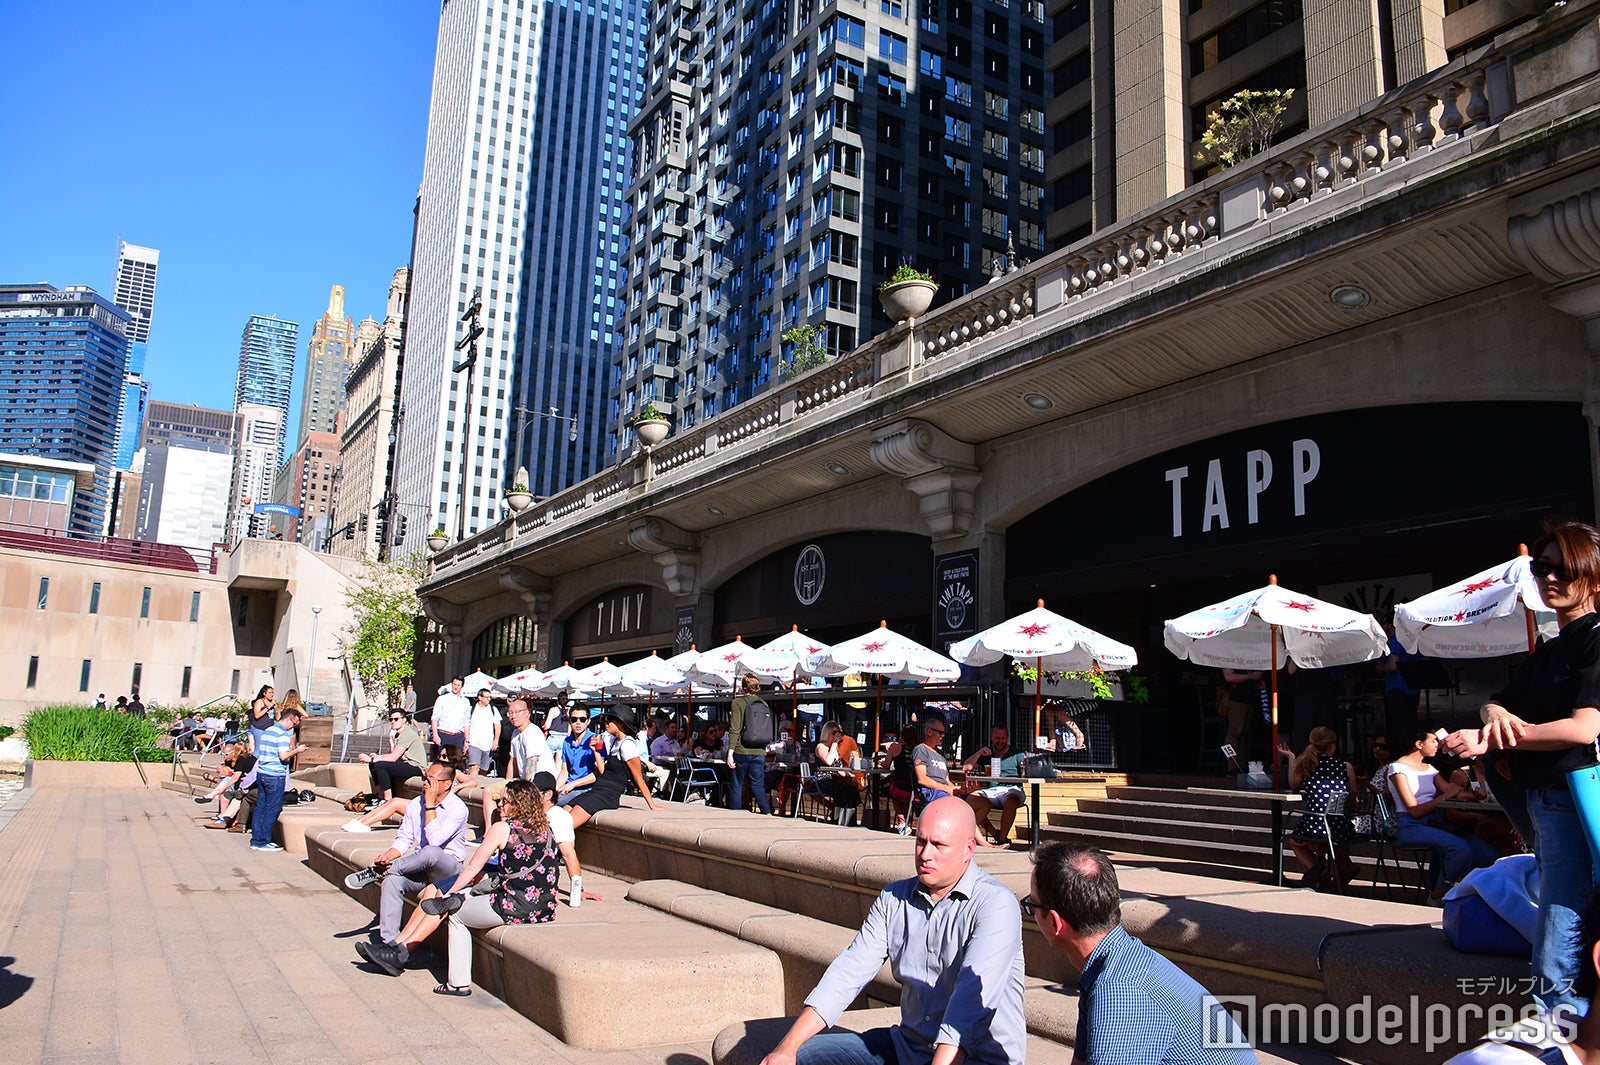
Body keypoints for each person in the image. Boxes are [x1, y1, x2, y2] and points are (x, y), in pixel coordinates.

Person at [1445, 520, 1600, 1016]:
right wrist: (1496, 718)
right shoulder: (1553, 647)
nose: (1549, 577)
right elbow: (1497, 700)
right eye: (1541, 567)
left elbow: (1582, 729)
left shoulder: (1594, 639)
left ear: (1593, 577)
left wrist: (1495, 734)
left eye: (1563, 568)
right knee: (1571, 899)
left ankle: (1558, 1012)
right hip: (1549, 791)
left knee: (1563, 902)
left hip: (1575, 790)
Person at [756, 797, 1025, 1065]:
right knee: (804, 1056)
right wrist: (787, 1048)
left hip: (979, 1057)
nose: (925, 854)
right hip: (909, 1047)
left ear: (968, 850)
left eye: (939, 845)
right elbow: (850, 971)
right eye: (920, 841)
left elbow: (968, 1008)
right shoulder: (894, 898)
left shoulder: (995, 905)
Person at [1025, 841, 1256, 1063]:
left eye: (1032, 905)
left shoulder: (1120, 989)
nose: (1031, 912)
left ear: (1056, 923)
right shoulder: (1115, 961)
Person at [369, 778, 564, 994]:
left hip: (514, 905)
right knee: (447, 894)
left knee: (454, 912)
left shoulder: (502, 829)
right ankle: (399, 947)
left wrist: (450, 893)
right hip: (544, 907)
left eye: (505, 801)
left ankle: (457, 982)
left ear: (518, 804)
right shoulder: (546, 829)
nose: (499, 805)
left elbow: (471, 868)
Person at [349, 761, 470, 972]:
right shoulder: (416, 804)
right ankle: (389, 946)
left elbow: (434, 841)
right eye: (425, 779)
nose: (426, 784)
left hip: (448, 868)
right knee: (392, 881)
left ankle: (386, 870)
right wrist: (389, 855)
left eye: (431, 780)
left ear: (447, 784)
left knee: (431, 852)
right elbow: (404, 839)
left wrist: (431, 805)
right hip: (421, 867)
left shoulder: (457, 808)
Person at [1390, 727, 1496, 900]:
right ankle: (1439, 895)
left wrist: (1473, 796)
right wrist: (1445, 798)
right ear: (1419, 744)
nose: (1437, 745)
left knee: (1486, 854)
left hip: (1436, 823)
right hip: (1411, 825)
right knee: (1460, 848)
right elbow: (1415, 810)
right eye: (1433, 741)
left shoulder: (1429, 768)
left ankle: (1469, 894)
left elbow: (1451, 789)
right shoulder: (1397, 769)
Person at [1285, 726, 1359, 890]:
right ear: (1332, 746)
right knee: (1335, 835)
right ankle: (1341, 874)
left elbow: (1294, 786)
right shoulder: (1345, 766)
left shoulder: (1306, 765)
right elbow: (1353, 796)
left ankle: (1322, 869)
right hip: (1340, 824)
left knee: (1295, 841)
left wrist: (1291, 759)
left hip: (1315, 824)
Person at [568, 709, 660, 830]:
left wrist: (652, 805)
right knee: (562, 814)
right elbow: (603, 772)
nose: (606, 724)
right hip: (598, 790)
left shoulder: (628, 745)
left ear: (620, 724)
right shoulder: (615, 742)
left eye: (610, 721)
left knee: (565, 825)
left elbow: (639, 779)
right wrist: (595, 751)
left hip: (607, 795)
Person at [249, 704, 307, 852]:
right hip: (275, 775)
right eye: (294, 724)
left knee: (260, 806)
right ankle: (264, 841)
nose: (293, 727)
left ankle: (256, 839)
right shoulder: (282, 735)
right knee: (273, 808)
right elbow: (283, 756)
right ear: (289, 720)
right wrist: (297, 750)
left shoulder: (268, 730)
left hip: (262, 772)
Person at [962, 725, 1029, 847]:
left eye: (1003, 738)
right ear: (991, 738)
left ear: (1007, 738)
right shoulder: (987, 753)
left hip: (1013, 789)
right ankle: (994, 834)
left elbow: (1027, 770)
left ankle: (1002, 839)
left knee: (1011, 800)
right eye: (997, 738)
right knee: (972, 799)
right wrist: (979, 753)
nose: (1000, 741)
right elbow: (966, 767)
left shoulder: (1017, 753)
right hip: (993, 790)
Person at [356, 708, 427, 803]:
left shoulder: (407, 734)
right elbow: (394, 754)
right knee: (374, 764)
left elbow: (393, 758)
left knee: (380, 765)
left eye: (396, 719)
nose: (393, 722)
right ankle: (380, 796)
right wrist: (377, 757)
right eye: (391, 720)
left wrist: (373, 759)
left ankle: (387, 800)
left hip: (416, 767)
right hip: (406, 764)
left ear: (404, 720)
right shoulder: (398, 735)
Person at [728, 674, 774, 815]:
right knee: (758, 785)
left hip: (741, 750)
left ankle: (735, 815)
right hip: (759, 750)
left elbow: (735, 729)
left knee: (736, 784)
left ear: (743, 687)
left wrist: (730, 752)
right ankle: (767, 812)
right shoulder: (763, 703)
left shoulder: (738, 702)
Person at [813, 720, 863, 826]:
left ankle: (849, 821)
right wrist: (834, 744)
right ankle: (839, 820)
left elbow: (839, 768)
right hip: (822, 780)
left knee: (852, 789)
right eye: (834, 733)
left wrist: (851, 776)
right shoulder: (821, 746)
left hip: (834, 779)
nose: (838, 736)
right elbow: (830, 762)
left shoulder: (835, 748)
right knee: (844, 790)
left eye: (839, 733)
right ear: (827, 733)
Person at [195, 739, 254, 828]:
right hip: (242, 786)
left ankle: (224, 818)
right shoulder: (242, 759)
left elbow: (235, 778)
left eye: (226, 754)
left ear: (234, 752)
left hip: (245, 788)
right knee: (226, 791)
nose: (224, 757)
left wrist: (224, 787)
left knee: (232, 793)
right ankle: (222, 816)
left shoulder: (241, 760)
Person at [556, 704, 600, 804]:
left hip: (587, 789)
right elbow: (564, 771)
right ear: (570, 721)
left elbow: (598, 773)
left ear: (588, 721)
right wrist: (555, 791)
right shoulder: (567, 741)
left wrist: (573, 784)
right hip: (569, 787)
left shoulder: (593, 740)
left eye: (582, 719)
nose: (578, 723)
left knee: (556, 805)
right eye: (574, 719)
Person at [1221, 668, 1264, 759]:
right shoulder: (1230, 656)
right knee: (1234, 732)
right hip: (1236, 698)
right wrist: (1251, 676)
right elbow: (1229, 676)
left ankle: (1239, 765)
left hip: (1249, 698)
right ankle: (1232, 766)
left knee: (1243, 732)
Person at [464, 687, 502, 776]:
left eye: (490, 697)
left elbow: (498, 725)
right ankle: (472, 788)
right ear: (480, 697)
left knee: (484, 770)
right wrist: (467, 740)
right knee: (474, 767)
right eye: (486, 697)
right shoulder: (471, 710)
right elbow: (466, 725)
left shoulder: (493, 710)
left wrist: (496, 740)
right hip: (474, 743)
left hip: (488, 744)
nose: (489, 699)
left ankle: (479, 786)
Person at [247, 685, 275, 749]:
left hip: (269, 729)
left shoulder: (272, 702)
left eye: (272, 692)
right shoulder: (259, 702)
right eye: (270, 693)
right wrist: (267, 707)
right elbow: (257, 715)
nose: (272, 694)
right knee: (259, 749)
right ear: (264, 694)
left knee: (266, 748)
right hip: (259, 728)